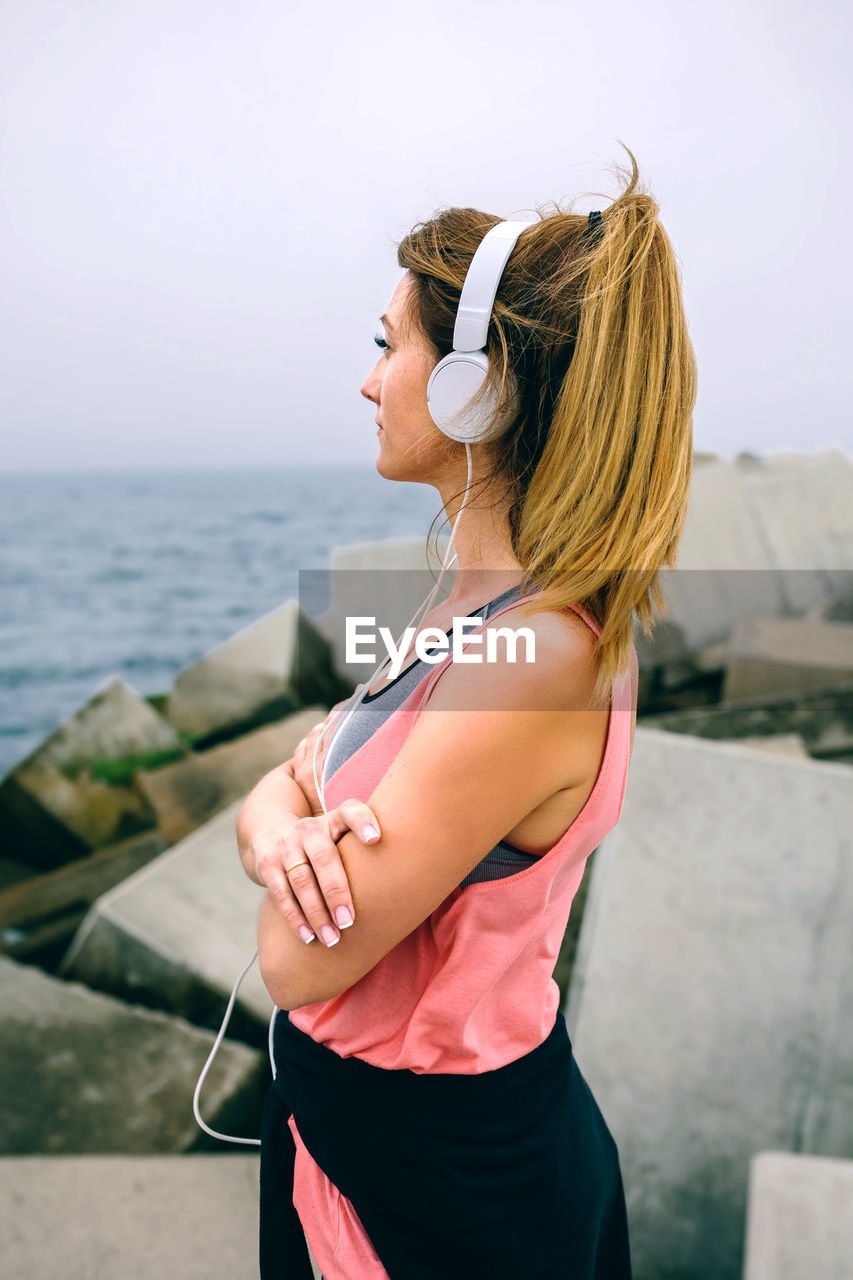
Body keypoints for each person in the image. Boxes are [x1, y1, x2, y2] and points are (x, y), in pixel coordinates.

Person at [236, 142, 697, 1280]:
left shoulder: (531, 654)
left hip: (435, 1184)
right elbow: (287, 783)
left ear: (471, 384)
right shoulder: (473, 604)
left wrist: (291, 819)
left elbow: (297, 961)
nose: (367, 379)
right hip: (369, 1135)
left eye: (387, 346)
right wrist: (278, 828)